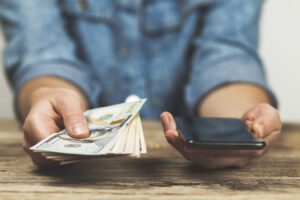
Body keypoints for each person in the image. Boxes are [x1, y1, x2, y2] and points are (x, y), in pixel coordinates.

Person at [0, 0, 281, 168]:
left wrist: (238, 126)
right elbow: (41, 56)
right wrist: (46, 97)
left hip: (186, 174)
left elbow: (227, 55)